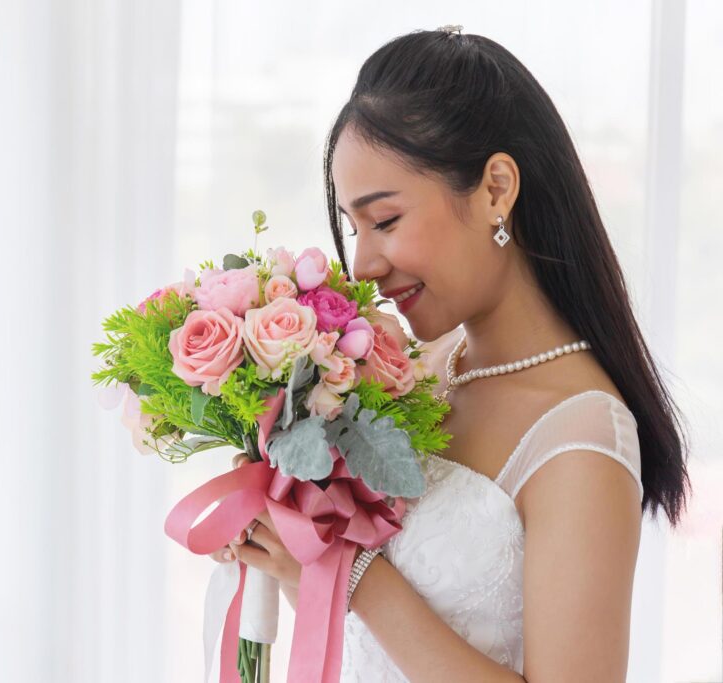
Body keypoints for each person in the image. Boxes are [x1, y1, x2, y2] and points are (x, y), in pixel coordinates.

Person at [208, 27, 690, 682]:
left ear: (496, 188)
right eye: (354, 228)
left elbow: (371, 596)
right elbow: (363, 646)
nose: (364, 264)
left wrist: (357, 577)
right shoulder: (418, 368)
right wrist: (290, 544)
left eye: (385, 220)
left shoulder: (581, 440)